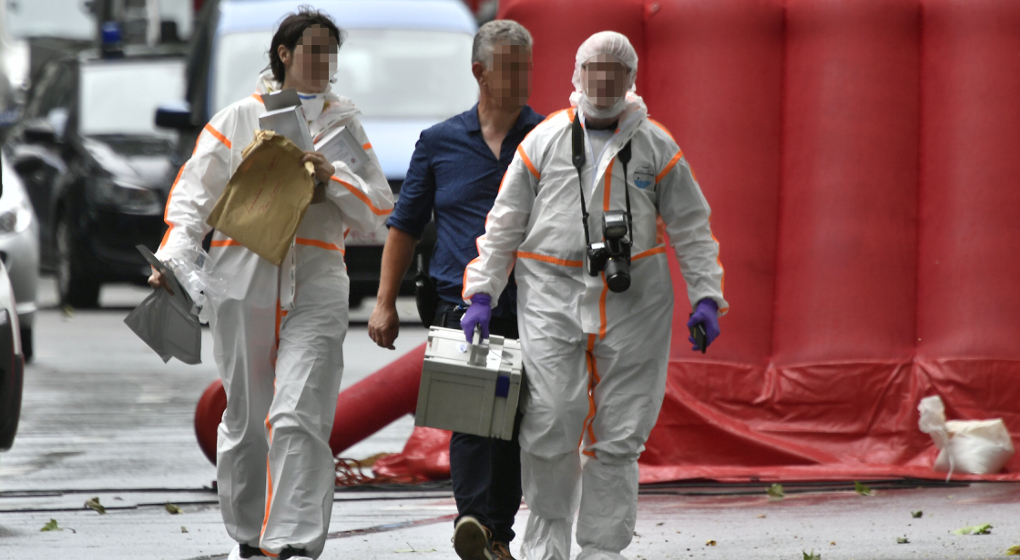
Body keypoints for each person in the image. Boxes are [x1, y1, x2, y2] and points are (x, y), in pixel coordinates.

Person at [460, 31, 728, 560]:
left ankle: (602, 548)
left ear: (631, 78)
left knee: (621, 430)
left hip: (636, 303)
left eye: (614, 72)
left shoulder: (656, 146)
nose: (603, 81)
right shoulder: (544, 141)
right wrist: (482, 292)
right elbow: (505, 222)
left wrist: (706, 296)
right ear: (576, 75)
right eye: (594, 70)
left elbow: (692, 226)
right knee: (550, 421)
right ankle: (547, 544)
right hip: (551, 298)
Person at [150, 9, 393, 560]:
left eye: (330, 52)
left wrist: (334, 178)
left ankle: (291, 542)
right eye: (313, 50)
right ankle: (248, 534)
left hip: (318, 283)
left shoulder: (344, 127)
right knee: (247, 417)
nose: (323, 62)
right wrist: (174, 259)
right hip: (243, 280)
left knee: (299, 414)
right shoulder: (239, 118)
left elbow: (378, 211)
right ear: (284, 54)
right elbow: (193, 198)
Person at [367, 20, 541, 560]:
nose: (521, 79)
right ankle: (476, 525)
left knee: (511, 427)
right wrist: (384, 303)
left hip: (533, 305)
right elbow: (405, 225)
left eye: (526, 67)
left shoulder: (548, 138)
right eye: (509, 68)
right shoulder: (439, 143)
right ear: (479, 72)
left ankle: (496, 533)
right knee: (471, 422)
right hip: (460, 305)